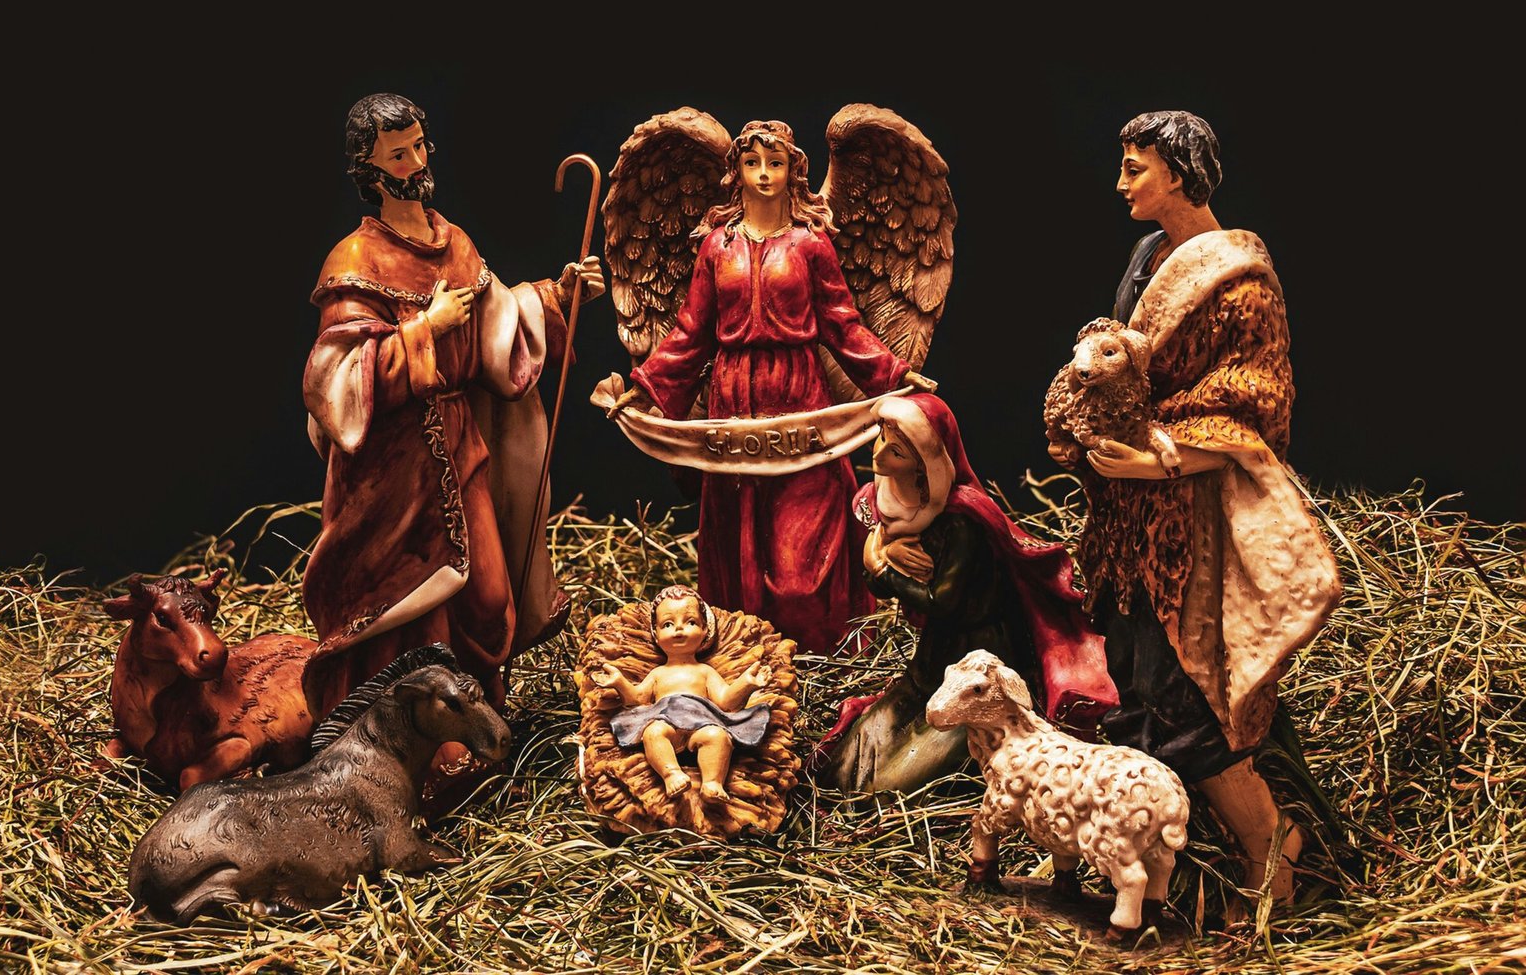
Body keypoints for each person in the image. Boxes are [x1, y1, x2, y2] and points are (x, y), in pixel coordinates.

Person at [1068, 110, 1341, 914]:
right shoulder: (1148, 256)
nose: (1121, 184)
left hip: (1193, 522)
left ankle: (1271, 853)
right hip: (1132, 523)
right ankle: (1164, 873)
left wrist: (1159, 456)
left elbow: (1256, 403)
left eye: (1135, 169)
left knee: (1188, 701)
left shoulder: (1242, 282)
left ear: (1179, 175)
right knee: (1134, 677)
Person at [300, 93, 604, 725]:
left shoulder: (453, 242)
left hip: (459, 443)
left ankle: (476, 719)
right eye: (398, 154)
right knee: (406, 604)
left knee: (487, 599)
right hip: (390, 469)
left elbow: (497, 322)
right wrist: (426, 329)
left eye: (418, 146)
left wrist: (558, 295)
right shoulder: (355, 261)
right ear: (368, 168)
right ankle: (413, 736)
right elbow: (337, 381)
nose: (416, 162)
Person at [607, 121, 934, 652]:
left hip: (799, 395)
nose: (763, 174)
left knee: (802, 558)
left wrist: (893, 374)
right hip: (733, 398)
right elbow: (691, 331)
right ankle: (748, 657)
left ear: (792, 172)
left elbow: (843, 325)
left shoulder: (811, 245)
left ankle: (818, 653)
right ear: (736, 170)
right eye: (752, 163)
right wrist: (648, 386)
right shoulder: (717, 247)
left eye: (775, 163)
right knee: (739, 537)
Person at [814, 392, 1114, 793]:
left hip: (977, 669)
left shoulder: (962, 520)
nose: (879, 455)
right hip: (931, 665)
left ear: (924, 464)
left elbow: (940, 601)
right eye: (882, 438)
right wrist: (880, 552)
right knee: (841, 769)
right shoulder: (890, 501)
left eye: (896, 452)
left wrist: (880, 564)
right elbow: (878, 585)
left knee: (886, 787)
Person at [590, 585, 772, 803]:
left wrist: (747, 683)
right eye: (668, 624)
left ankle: (712, 783)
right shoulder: (658, 673)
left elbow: (725, 701)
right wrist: (619, 681)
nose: (679, 628)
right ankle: (671, 774)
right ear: (656, 634)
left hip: (703, 722)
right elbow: (637, 699)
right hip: (665, 721)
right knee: (653, 733)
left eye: (690, 622)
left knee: (718, 736)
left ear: (705, 630)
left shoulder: (705, 671)